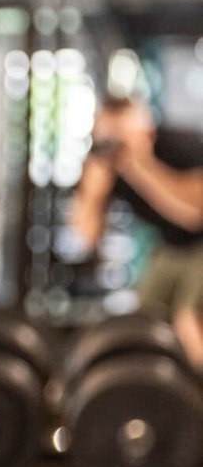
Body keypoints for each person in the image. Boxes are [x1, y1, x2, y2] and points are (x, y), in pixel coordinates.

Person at [71, 96, 203, 364]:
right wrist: (93, 194)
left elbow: (194, 214)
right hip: (170, 246)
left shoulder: (177, 144)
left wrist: (141, 168)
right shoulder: (109, 162)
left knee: (189, 318)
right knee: (144, 319)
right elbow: (85, 237)